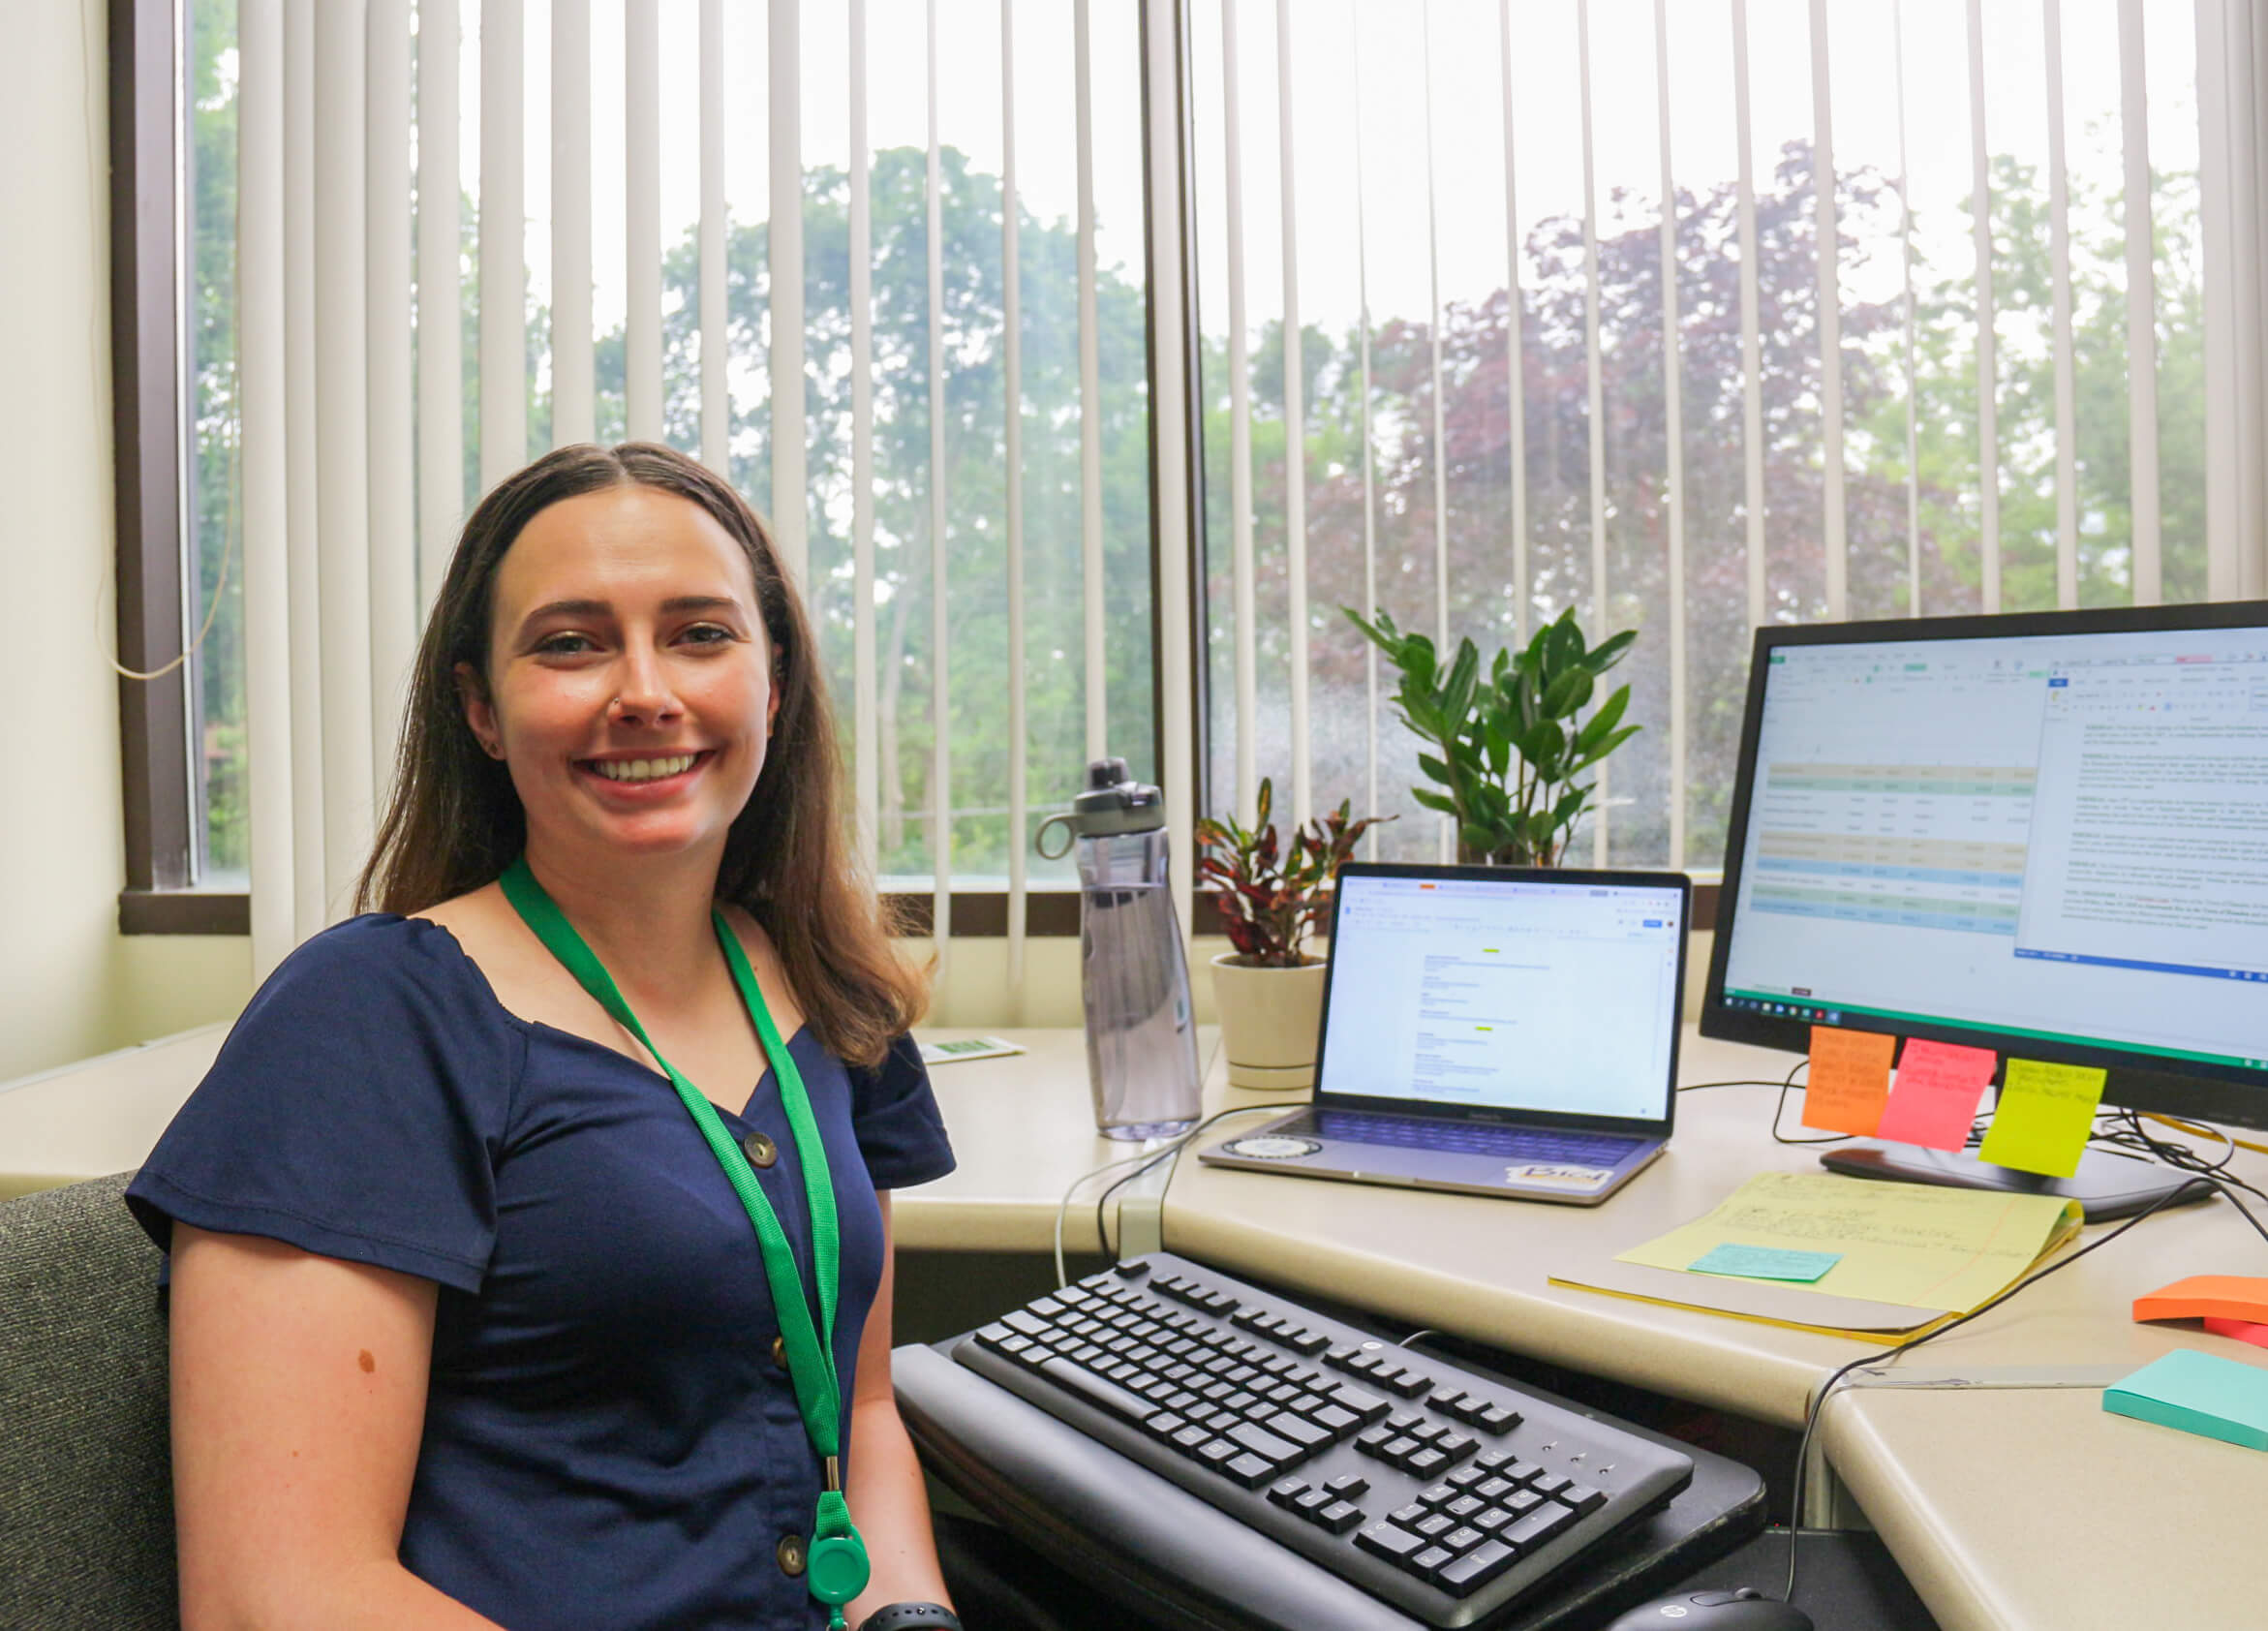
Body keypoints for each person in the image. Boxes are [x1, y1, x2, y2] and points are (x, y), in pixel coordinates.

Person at [126, 443, 964, 1631]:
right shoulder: (369, 1021)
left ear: (772, 685)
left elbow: (862, 1415)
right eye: (570, 642)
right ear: (479, 705)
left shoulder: (830, 997)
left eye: (699, 633)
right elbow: (276, 1596)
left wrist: (913, 1618)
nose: (644, 690)